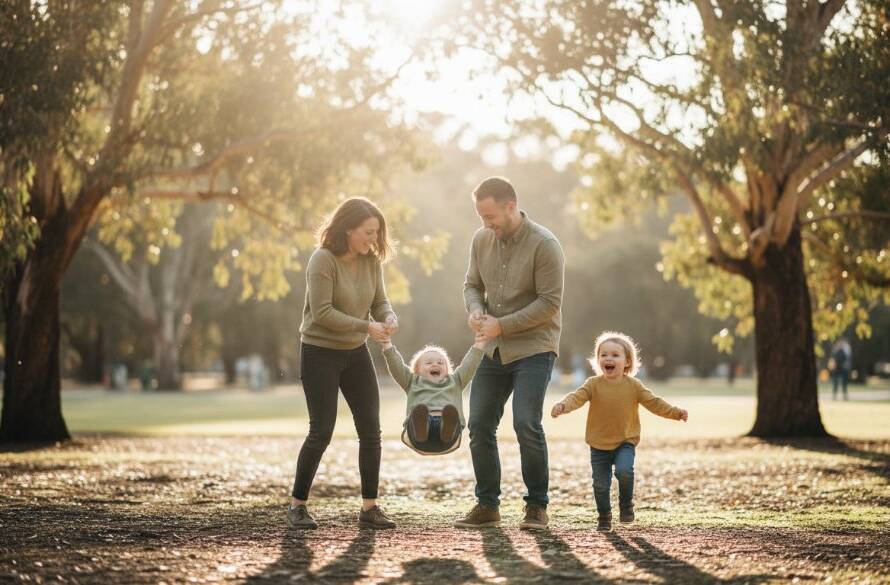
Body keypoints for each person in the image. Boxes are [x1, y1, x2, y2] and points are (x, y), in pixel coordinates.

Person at [454, 176, 565, 530]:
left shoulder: (545, 244)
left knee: (525, 423)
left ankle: (537, 507)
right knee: (480, 424)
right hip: (494, 348)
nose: (486, 225)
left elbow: (550, 303)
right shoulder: (481, 238)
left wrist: (503, 325)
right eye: (481, 217)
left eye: (491, 217)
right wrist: (475, 310)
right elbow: (471, 284)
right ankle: (487, 505)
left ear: (511, 207)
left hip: (534, 346)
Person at [287, 197, 399, 530]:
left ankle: (369, 508)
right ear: (348, 229)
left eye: (377, 232)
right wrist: (367, 326)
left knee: (371, 430)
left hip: (355, 353)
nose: (374, 239)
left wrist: (388, 316)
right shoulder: (322, 260)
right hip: (320, 351)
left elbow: (379, 302)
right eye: (368, 232)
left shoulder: (372, 262)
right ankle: (297, 506)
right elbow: (322, 313)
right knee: (321, 430)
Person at [551, 331, 688, 532]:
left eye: (615, 355)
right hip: (598, 444)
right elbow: (576, 397)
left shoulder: (634, 386)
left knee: (624, 471)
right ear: (598, 360)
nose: (609, 358)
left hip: (625, 441)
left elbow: (654, 403)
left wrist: (676, 413)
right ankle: (604, 517)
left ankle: (626, 505)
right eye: (604, 354)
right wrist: (563, 406)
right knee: (600, 485)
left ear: (627, 362)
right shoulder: (593, 384)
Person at [380, 332, 487, 454]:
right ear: (417, 370)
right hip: (418, 436)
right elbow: (396, 366)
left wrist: (479, 344)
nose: (435, 364)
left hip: (448, 437)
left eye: (441, 363)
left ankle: (447, 428)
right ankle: (422, 427)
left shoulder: (456, 380)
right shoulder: (411, 381)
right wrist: (387, 345)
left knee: (449, 416)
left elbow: (470, 364)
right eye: (429, 363)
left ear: (447, 370)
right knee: (420, 415)